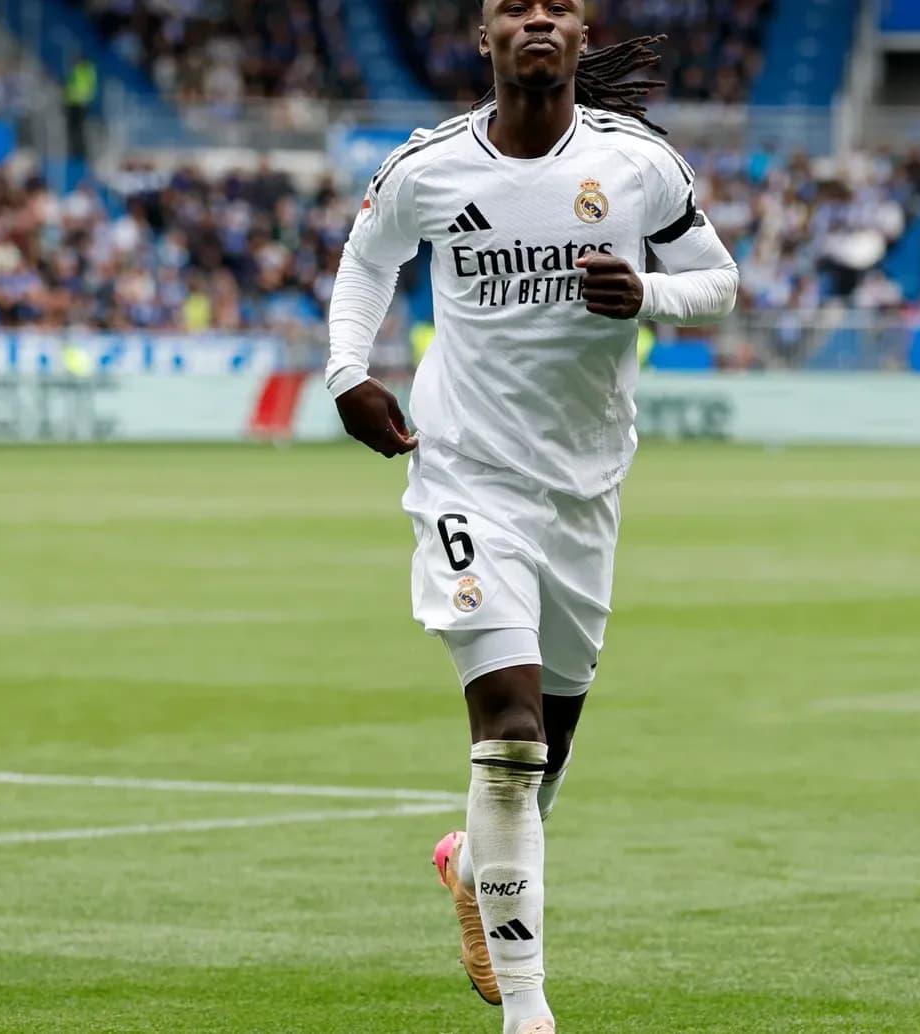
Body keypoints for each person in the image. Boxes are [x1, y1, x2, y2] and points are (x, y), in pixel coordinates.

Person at [324, 5, 739, 1033]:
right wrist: (346, 373)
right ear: (486, 36)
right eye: (515, 5)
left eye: (557, 3)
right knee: (508, 732)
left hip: (585, 488)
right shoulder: (427, 167)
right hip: (465, 474)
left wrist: (646, 295)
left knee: (543, 753)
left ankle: (471, 863)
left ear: (583, 31)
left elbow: (721, 283)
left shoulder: (636, 163)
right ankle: (528, 1010)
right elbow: (368, 259)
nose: (538, 17)